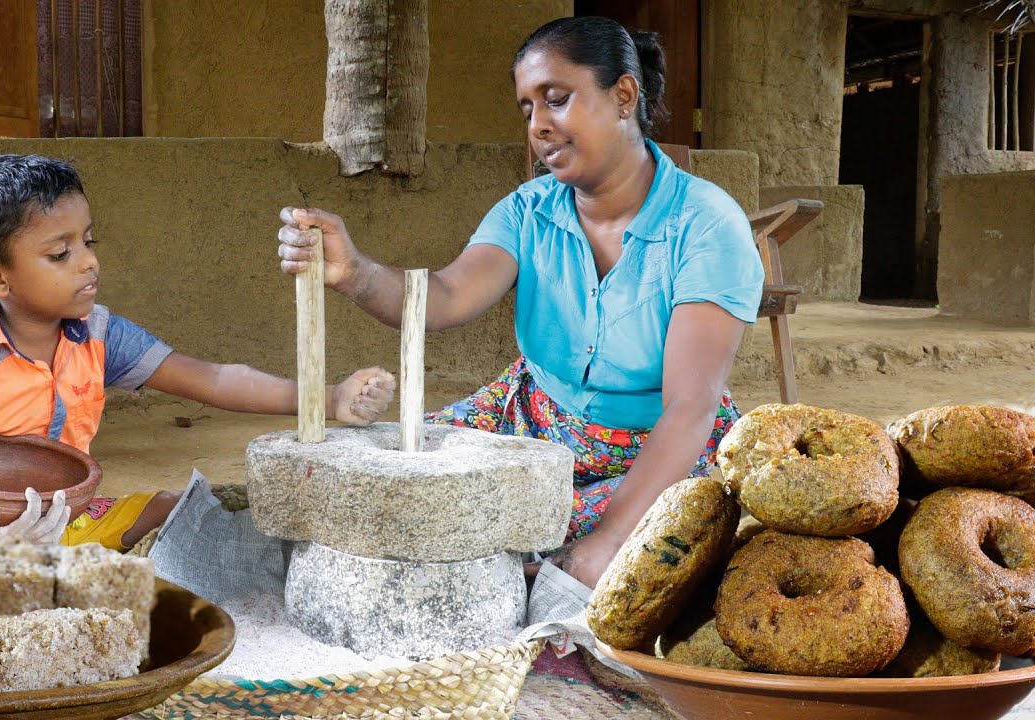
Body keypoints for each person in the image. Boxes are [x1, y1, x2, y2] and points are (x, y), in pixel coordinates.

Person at [275, 17, 763, 589]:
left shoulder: (706, 225)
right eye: (527, 110)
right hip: (533, 413)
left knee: (532, 545)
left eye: (556, 100)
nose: (539, 126)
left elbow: (688, 408)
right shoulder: (528, 211)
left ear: (624, 95)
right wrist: (354, 272)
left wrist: (606, 541)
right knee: (393, 480)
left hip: (657, 450)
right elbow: (447, 295)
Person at [0, 154, 395, 552]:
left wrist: (327, 399)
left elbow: (214, 380)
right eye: (61, 253)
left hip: (66, 526)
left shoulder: (97, 335)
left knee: (172, 510)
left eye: (88, 241)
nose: (89, 263)